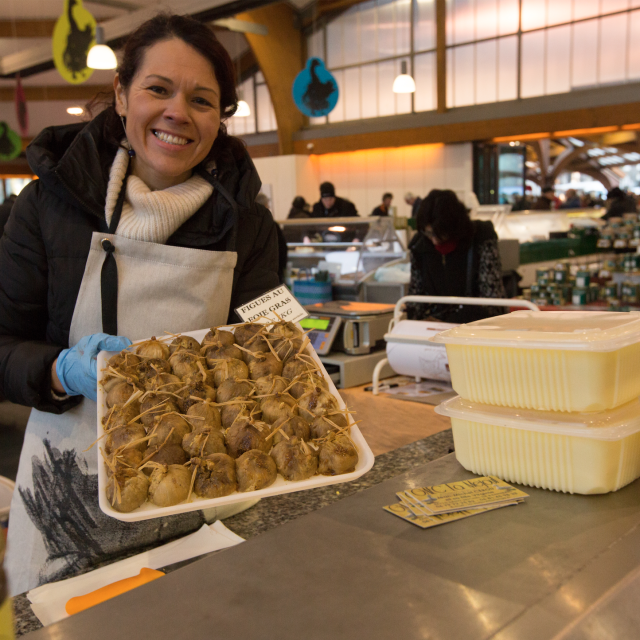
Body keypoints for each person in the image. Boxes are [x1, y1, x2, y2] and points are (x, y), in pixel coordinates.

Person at [0, 13, 280, 595]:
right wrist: (57, 369)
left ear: (219, 120)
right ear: (122, 97)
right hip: (67, 496)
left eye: (202, 100)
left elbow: (270, 342)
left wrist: (290, 359)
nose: (178, 112)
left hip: (207, 495)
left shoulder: (248, 224)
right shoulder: (46, 208)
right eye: (158, 89)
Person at [407, 189, 506, 324]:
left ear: (454, 227)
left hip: (476, 330)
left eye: (440, 234)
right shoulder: (419, 246)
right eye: (429, 233)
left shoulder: (481, 239)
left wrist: (450, 323)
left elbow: (493, 303)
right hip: (432, 332)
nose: (435, 241)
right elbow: (416, 299)